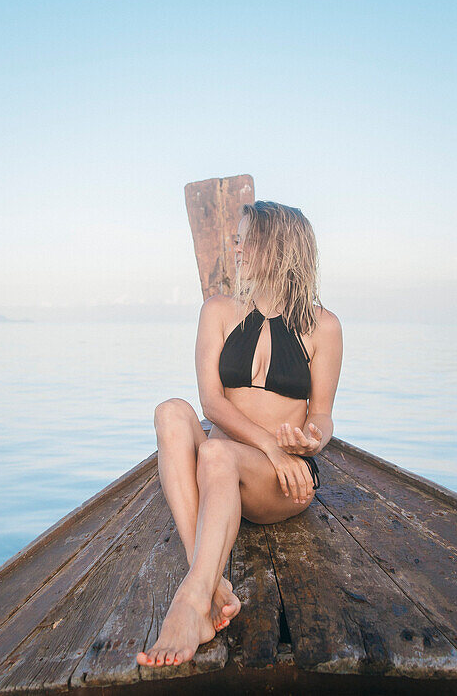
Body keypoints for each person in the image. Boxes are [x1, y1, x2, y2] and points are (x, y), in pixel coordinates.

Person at [136, 201, 343, 668]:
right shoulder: (218, 311)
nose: (235, 245)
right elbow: (211, 403)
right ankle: (208, 583)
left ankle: (190, 604)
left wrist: (312, 441)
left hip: (281, 479)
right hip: (230, 458)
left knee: (217, 456)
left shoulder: (323, 325)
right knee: (171, 412)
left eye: (244, 236)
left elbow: (324, 416)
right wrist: (266, 440)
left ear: (276, 245)